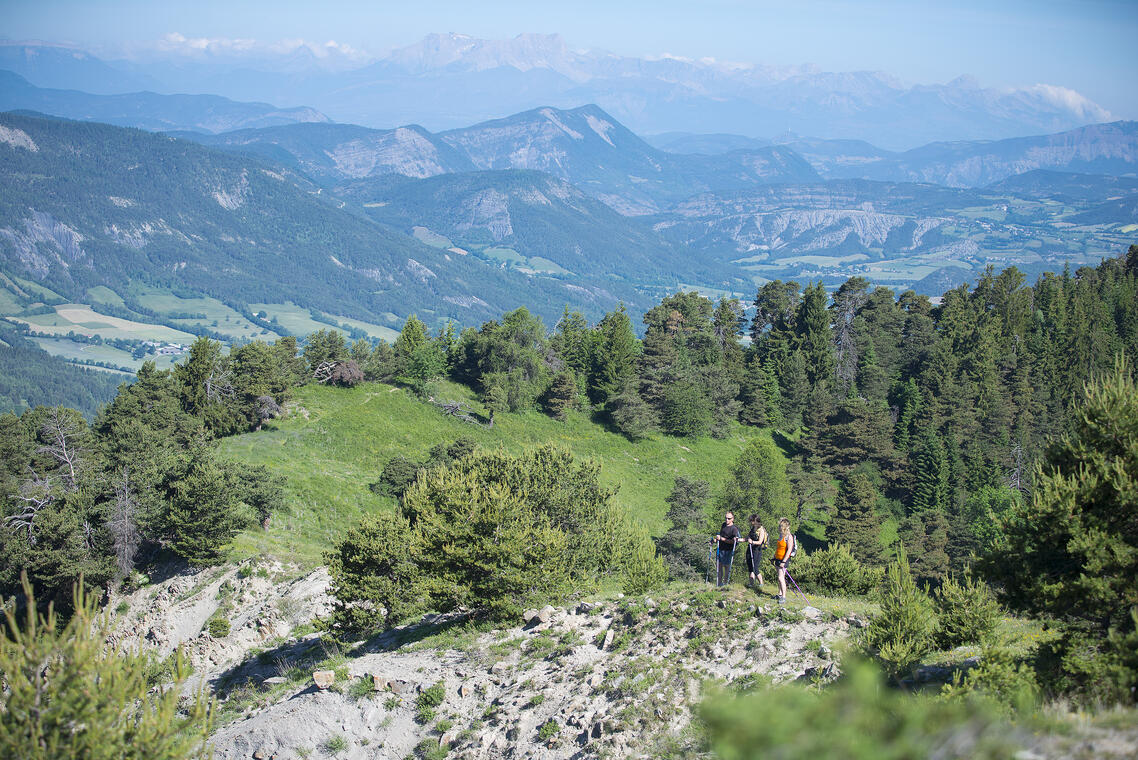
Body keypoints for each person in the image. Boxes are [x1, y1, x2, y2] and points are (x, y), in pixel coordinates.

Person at [770, 517, 796, 604]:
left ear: (785, 526)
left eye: (781, 525)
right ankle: (780, 594)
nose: (779, 527)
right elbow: (778, 547)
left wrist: (784, 561)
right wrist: (774, 556)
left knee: (781, 578)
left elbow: (789, 550)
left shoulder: (789, 537)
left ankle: (784, 596)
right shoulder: (781, 535)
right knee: (779, 577)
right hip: (778, 558)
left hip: (783, 560)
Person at [712, 512, 741, 587]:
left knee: (727, 567)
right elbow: (721, 536)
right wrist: (715, 540)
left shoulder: (734, 529)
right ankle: (718, 583)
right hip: (721, 548)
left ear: (733, 519)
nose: (727, 520)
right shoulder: (723, 525)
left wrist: (722, 539)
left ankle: (725, 584)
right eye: (726, 518)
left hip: (728, 550)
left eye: (729, 518)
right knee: (719, 566)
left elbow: (733, 541)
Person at [745, 514, 767, 588]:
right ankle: (751, 584)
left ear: (756, 521)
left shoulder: (761, 529)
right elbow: (748, 538)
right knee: (750, 567)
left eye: (752, 521)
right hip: (750, 548)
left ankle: (761, 583)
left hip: (757, 550)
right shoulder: (753, 528)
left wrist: (752, 542)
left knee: (755, 567)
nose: (751, 522)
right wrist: (738, 539)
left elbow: (760, 542)